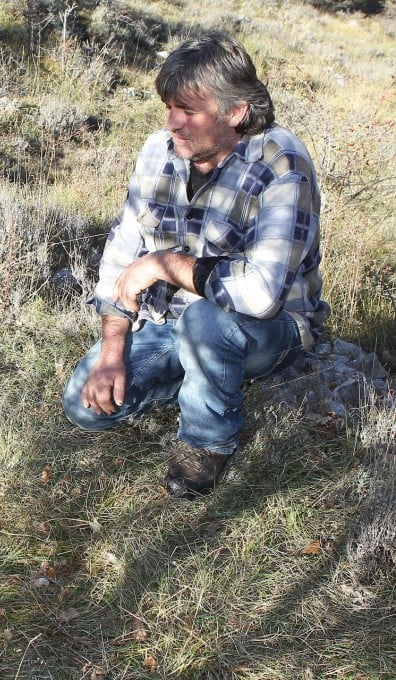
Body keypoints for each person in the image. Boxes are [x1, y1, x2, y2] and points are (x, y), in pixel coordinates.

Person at [62, 33, 330, 498]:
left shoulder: (282, 164)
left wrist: (163, 264)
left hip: (269, 329)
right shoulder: (157, 151)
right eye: (169, 107)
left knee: (209, 320)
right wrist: (111, 354)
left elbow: (262, 297)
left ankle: (207, 441)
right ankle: (198, 374)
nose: (173, 123)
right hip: (169, 322)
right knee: (84, 406)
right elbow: (120, 255)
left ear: (235, 112)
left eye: (189, 110)